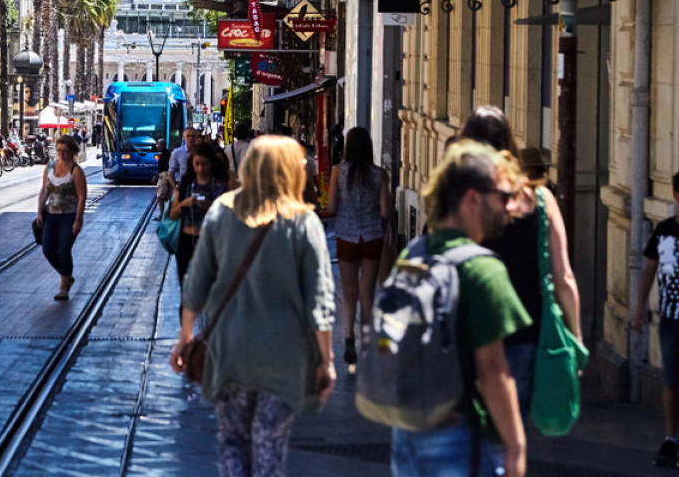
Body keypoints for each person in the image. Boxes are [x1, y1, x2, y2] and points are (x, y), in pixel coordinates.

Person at [171, 136, 336, 477]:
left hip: (229, 351)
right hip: (283, 355)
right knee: (269, 448)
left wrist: (185, 337)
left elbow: (196, 283)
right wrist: (326, 359)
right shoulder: (304, 223)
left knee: (232, 442)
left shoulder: (222, 212)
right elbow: (319, 298)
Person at [390, 140, 529, 477]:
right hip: (459, 434)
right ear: (472, 199)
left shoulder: (414, 253)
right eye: (503, 197)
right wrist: (514, 446)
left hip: (407, 434)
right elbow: (493, 368)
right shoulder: (483, 269)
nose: (509, 208)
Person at [460, 105, 581, 417]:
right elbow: (563, 278)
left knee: (474, 437)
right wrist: (575, 337)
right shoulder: (539, 200)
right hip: (526, 338)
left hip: (470, 338)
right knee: (513, 435)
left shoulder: (460, 200)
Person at [325, 127, 393, 365]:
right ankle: (365, 341)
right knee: (367, 293)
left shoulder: (337, 172)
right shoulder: (379, 175)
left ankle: (348, 337)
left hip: (347, 236)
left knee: (349, 292)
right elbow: (385, 210)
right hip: (372, 237)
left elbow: (332, 207)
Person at [633, 171, 679, 466]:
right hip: (672, 316)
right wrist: (639, 305)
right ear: (676, 195)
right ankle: (670, 439)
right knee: (672, 379)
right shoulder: (665, 232)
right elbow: (650, 269)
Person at [170, 141, 231, 289]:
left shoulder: (220, 186)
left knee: (211, 291)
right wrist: (186, 203)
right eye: (197, 164)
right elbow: (173, 215)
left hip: (211, 242)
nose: (200, 169)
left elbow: (229, 217)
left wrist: (211, 206)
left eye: (205, 164)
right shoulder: (186, 183)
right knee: (186, 290)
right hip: (186, 241)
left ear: (212, 164)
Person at [36, 135, 87, 301]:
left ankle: (64, 287)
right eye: (59, 150)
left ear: (72, 151)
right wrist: (39, 212)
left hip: (69, 216)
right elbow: (44, 190)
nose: (61, 154)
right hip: (50, 215)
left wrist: (78, 219)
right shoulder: (50, 166)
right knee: (48, 250)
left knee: (63, 250)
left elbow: (81, 197)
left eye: (65, 151)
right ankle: (67, 276)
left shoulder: (76, 170)